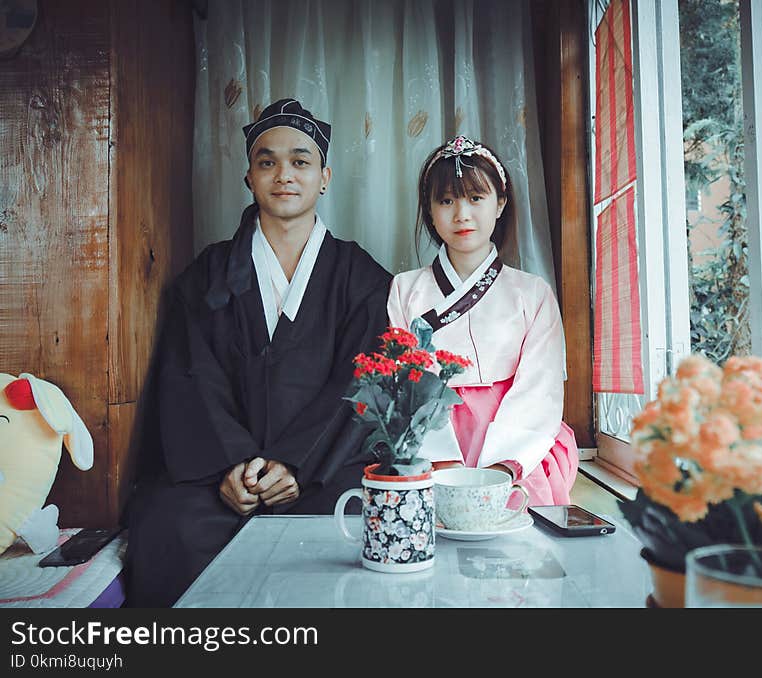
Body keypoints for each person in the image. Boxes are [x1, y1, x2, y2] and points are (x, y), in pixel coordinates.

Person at [123, 98, 392, 607]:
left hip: (322, 472)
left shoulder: (361, 277)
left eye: (300, 161)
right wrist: (232, 466)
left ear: (325, 177)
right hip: (222, 478)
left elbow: (361, 383)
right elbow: (191, 377)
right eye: (267, 162)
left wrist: (294, 465)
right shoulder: (208, 274)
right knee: (166, 526)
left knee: (359, 527)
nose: (284, 175)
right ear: (249, 177)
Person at [387, 135, 579, 507]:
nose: (462, 214)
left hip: (519, 437)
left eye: (476, 198)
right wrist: (442, 461)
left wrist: (503, 465)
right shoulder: (404, 289)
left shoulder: (533, 293)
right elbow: (408, 383)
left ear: (500, 202)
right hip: (432, 436)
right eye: (446, 200)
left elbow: (540, 387)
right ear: (429, 209)